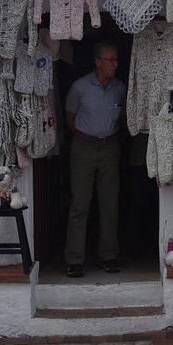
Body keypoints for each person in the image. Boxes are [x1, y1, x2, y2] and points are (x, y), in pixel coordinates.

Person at [64, 41, 126, 278]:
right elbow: (70, 119)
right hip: (83, 148)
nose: (115, 64)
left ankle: (109, 256)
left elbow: (122, 120)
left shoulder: (120, 88)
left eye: (116, 60)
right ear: (97, 62)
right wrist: (85, 137)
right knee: (80, 204)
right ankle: (75, 260)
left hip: (110, 147)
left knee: (110, 204)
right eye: (111, 60)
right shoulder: (79, 87)